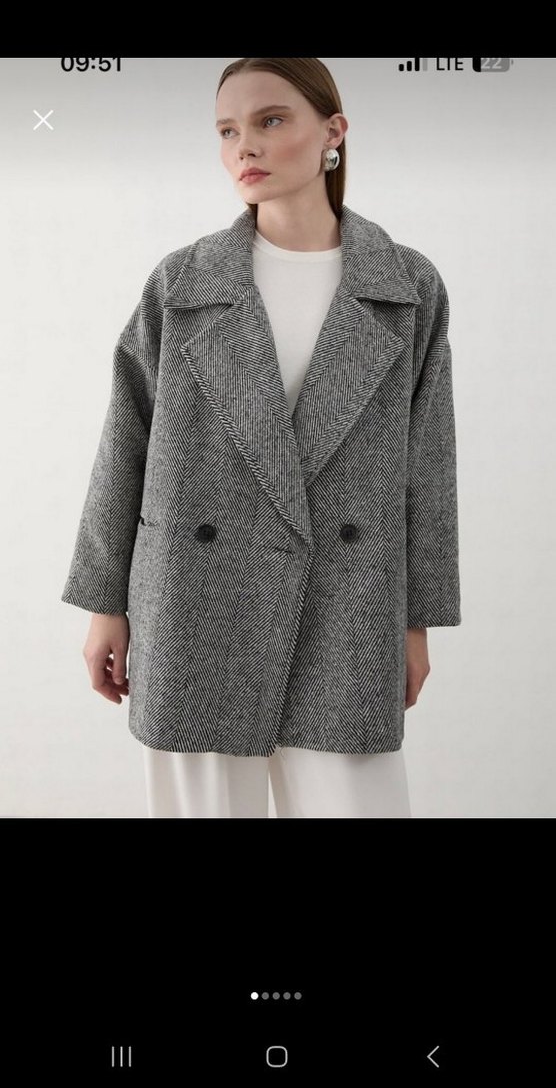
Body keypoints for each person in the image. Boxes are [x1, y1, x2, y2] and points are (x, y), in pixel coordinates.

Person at [61, 57, 462, 818]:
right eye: (227, 130)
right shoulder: (184, 283)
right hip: (193, 598)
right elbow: (124, 444)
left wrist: (416, 622)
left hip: (350, 602)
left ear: (333, 132)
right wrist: (104, 603)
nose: (244, 145)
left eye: (270, 120)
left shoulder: (407, 286)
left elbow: (428, 466)